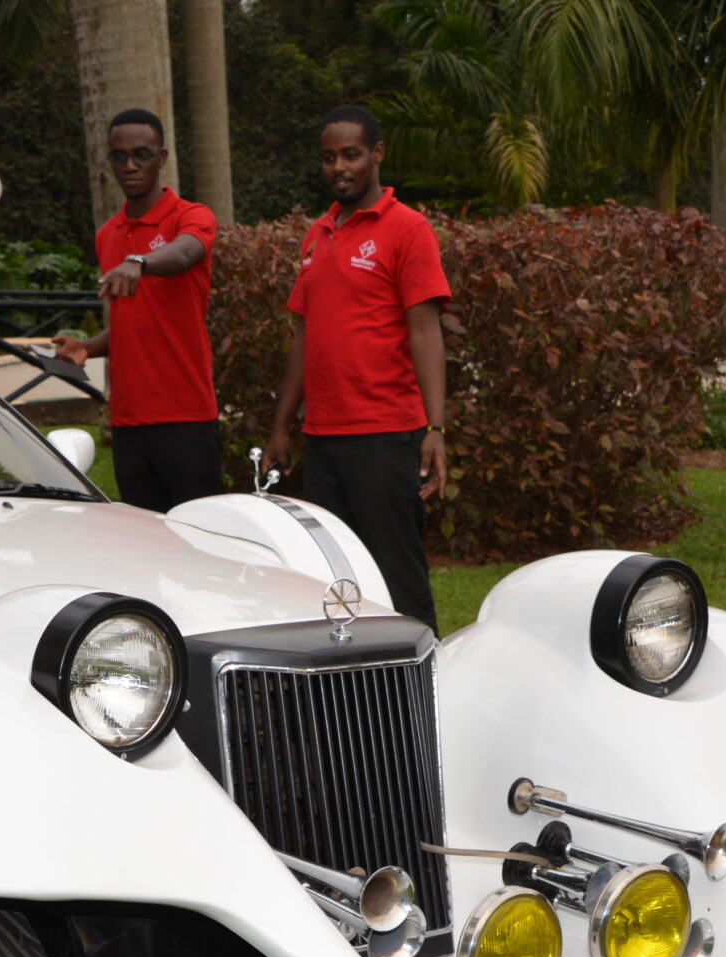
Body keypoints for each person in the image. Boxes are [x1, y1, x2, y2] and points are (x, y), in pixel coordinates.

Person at [259, 104, 451, 628]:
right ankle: (351, 695)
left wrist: (435, 428)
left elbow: (425, 330)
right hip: (323, 440)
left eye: (351, 155)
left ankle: (426, 684)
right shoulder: (316, 235)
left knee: (397, 579)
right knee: (335, 581)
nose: (339, 167)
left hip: (387, 435)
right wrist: (282, 429)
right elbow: (304, 337)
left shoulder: (407, 230)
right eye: (328, 158)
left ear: (377, 154)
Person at [52, 109, 224, 513]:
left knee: (203, 543)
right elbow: (139, 323)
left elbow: (185, 254)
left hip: (186, 417)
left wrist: (140, 262)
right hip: (129, 422)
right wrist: (87, 347)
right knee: (146, 546)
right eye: (119, 156)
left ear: (162, 158)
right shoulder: (107, 234)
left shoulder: (191, 217)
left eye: (142, 154)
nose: (130, 165)